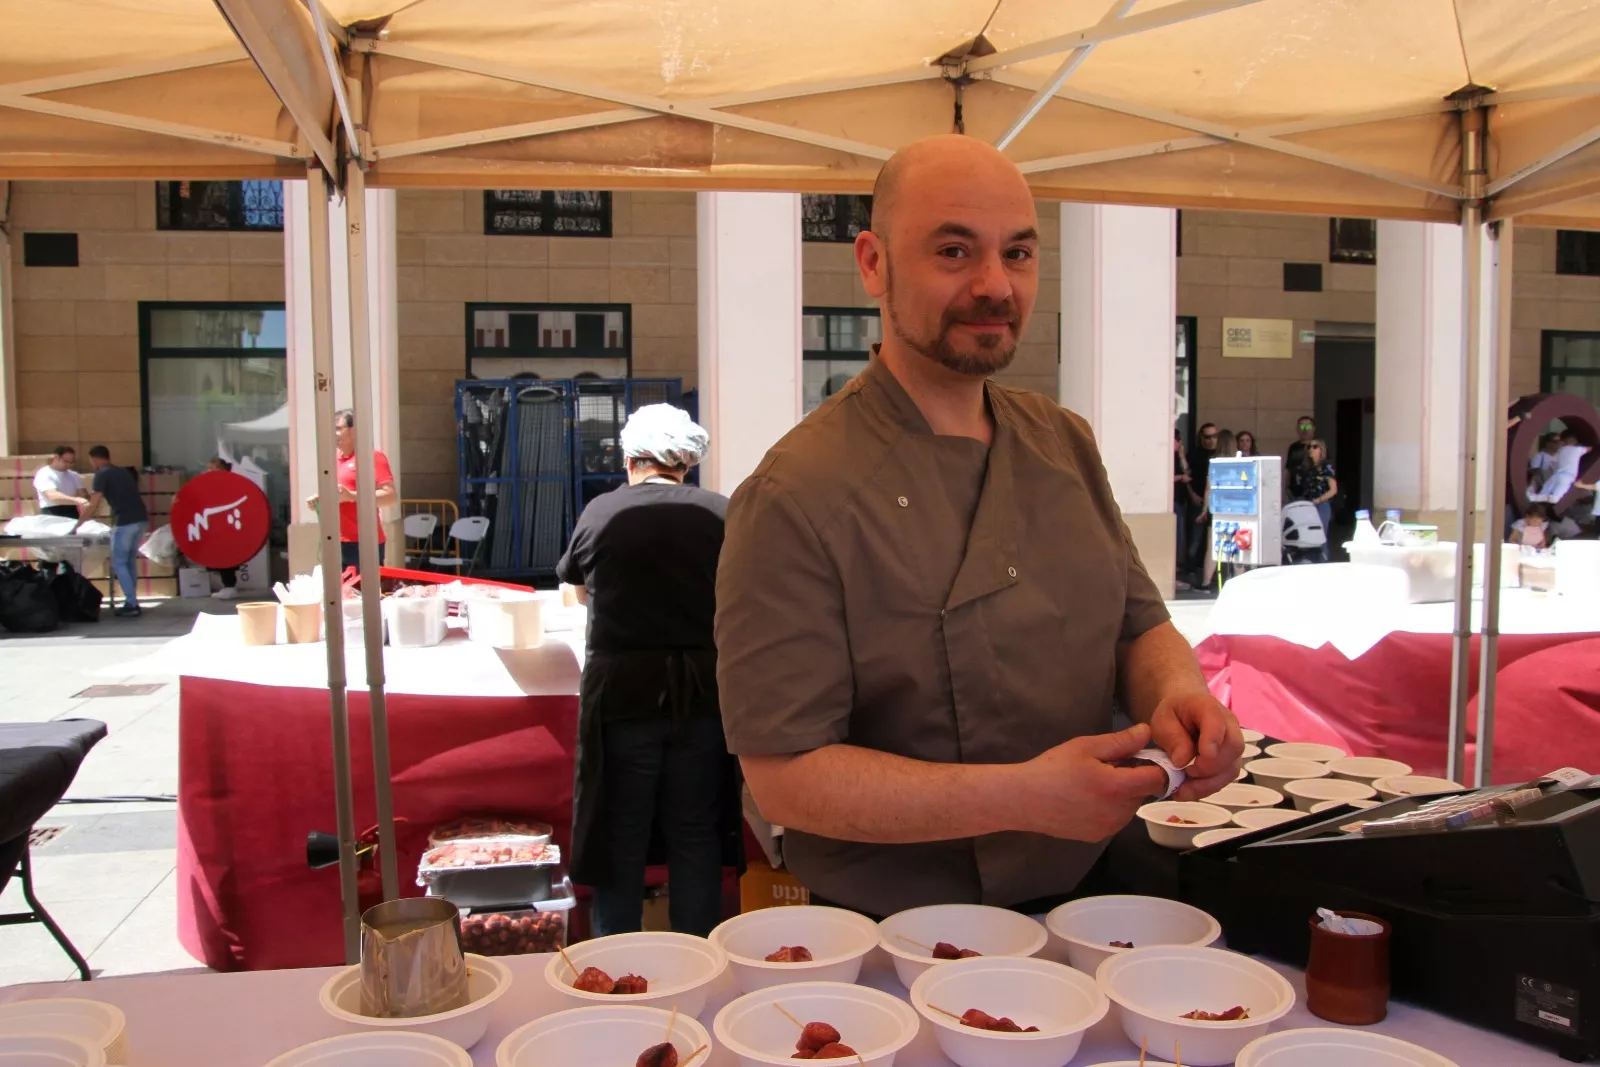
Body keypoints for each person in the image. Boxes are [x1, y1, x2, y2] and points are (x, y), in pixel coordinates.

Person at [714, 135, 1243, 919]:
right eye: (954, 251)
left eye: (1019, 253)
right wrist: (1024, 795)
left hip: (1093, 892)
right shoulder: (796, 494)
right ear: (873, 263)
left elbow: (1138, 622)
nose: (995, 285)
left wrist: (1180, 694)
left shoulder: (1064, 441)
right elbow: (785, 774)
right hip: (892, 927)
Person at [555, 404, 741, 937]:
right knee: (696, 832)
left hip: (625, 698)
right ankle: (699, 954)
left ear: (632, 458)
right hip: (704, 697)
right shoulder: (722, 513)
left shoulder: (601, 512)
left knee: (622, 833)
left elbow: (578, 587)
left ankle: (615, 962)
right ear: (685, 461)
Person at [306, 409, 397, 571]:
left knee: (363, 594)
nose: (334, 433)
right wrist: (319, 500)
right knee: (339, 594)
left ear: (354, 430)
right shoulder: (331, 460)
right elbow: (336, 494)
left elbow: (390, 497)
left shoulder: (372, 457)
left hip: (364, 542)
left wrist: (352, 496)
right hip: (334, 541)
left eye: (338, 428)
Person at [72, 446, 149, 617]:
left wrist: (78, 524)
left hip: (125, 522)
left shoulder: (101, 474)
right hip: (141, 519)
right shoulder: (123, 472)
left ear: (95, 459)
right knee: (128, 561)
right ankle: (132, 599)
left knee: (119, 562)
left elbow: (94, 504)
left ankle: (131, 603)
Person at [1288, 438, 1338, 561]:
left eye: (1315, 447)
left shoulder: (1326, 467)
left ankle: (1324, 562)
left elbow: (1333, 490)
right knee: (1309, 536)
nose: (1311, 449)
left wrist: (1319, 500)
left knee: (1321, 536)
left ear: (1321, 450)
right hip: (1308, 506)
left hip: (1322, 505)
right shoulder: (1307, 468)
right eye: (1309, 447)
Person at [1199, 430, 1236, 588]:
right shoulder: (1239, 461)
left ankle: (1206, 582)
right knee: (1236, 545)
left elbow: (1209, 488)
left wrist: (1204, 509)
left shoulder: (1214, 461)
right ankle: (1238, 581)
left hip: (1218, 507)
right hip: (1237, 508)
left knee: (1213, 546)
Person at [204, 457, 242, 600]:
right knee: (219, 554)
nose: (210, 471)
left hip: (227, 525)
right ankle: (228, 585)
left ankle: (229, 586)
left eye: (214, 468)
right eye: (209, 468)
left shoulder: (230, 482)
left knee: (226, 555)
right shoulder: (210, 483)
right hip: (217, 524)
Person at [1185, 422, 1219, 579]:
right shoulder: (1194, 455)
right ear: (1201, 437)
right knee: (1196, 538)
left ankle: (1206, 574)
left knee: (1212, 541)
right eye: (1207, 437)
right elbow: (1188, 477)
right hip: (1197, 500)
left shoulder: (1219, 455)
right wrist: (1192, 495)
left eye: (1214, 436)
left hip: (1214, 503)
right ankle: (1191, 569)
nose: (1211, 440)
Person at [1529, 430, 1591, 504]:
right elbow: (1590, 448)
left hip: (1555, 475)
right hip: (1567, 477)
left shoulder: (1560, 450)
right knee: (1557, 498)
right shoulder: (1577, 449)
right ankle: (1535, 497)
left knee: (1542, 494)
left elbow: (1553, 463)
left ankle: (1531, 497)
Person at [34, 447, 86, 519]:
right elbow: (53, 496)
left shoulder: (74, 475)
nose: (68, 465)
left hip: (72, 513)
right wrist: (77, 500)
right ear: (56, 457)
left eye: (71, 462)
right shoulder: (44, 473)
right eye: (66, 461)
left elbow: (83, 494)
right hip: (52, 514)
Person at [1172, 430, 1192, 591]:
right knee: (1175, 539)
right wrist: (1179, 478)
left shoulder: (1177, 457)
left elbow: (1186, 471)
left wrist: (1182, 456)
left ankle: (1176, 573)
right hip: (1171, 502)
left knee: (1180, 539)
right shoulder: (1164, 457)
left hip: (1180, 501)